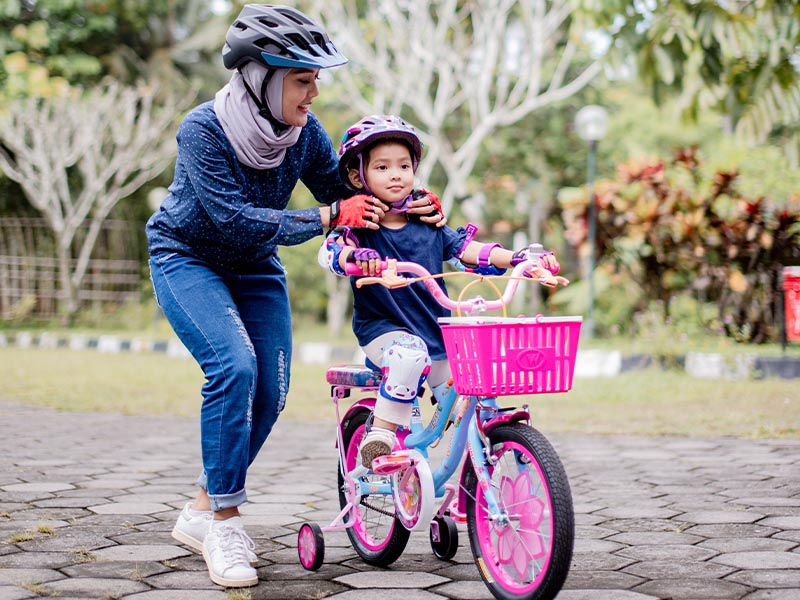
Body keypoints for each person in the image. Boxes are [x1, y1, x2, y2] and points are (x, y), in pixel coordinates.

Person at [146, 6, 443, 588]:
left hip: (256, 266)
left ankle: (202, 508)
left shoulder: (304, 134)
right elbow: (233, 221)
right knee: (234, 367)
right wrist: (330, 214)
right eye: (302, 80)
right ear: (261, 78)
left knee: (273, 390)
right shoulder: (203, 129)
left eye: (315, 80)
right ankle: (226, 523)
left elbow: (347, 191)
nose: (313, 93)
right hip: (189, 257)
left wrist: (415, 207)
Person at [319, 114, 561, 467]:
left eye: (404, 165)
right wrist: (354, 255)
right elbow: (330, 253)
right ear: (359, 176)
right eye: (383, 167)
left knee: (473, 387)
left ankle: (482, 466)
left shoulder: (428, 222)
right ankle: (382, 435)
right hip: (384, 333)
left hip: (438, 336)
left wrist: (517, 257)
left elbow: (468, 250)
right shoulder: (361, 228)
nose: (396, 174)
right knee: (408, 353)